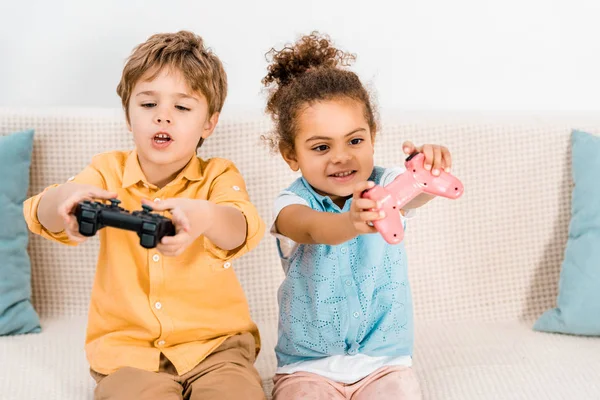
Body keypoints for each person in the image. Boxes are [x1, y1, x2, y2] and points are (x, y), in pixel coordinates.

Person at [23, 30, 266, 400]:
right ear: (128, 115)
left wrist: (204, 217)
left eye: (182, 108)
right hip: (128, 354)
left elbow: (242, 227)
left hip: (215, 348)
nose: (163, 118)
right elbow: (39, 212)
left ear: (209, 124)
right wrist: (66, 199)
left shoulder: (219, 175)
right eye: (148, 105)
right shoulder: (107, 172)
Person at [262, 32, 453, 400]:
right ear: (291, 155)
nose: (342, 157)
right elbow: (312, 230)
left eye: (354, 140)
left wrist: (427, 170)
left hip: (384, 364)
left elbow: (416, 195)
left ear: (372, 136)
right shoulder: (291, 204)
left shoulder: (386, 184)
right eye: (321, 147)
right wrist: (350, 223)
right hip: (307, 366)